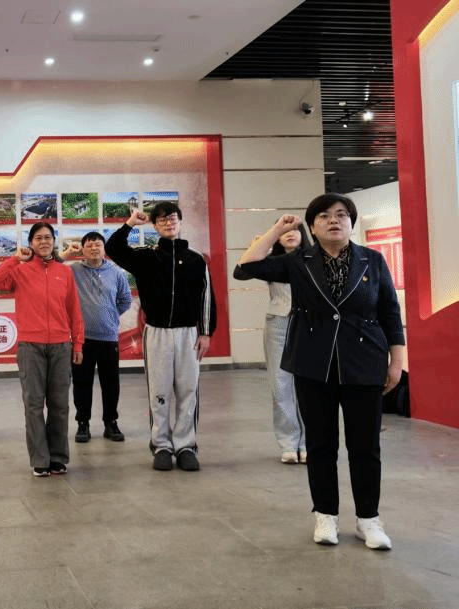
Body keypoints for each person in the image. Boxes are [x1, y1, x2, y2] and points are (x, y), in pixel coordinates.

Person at [236, 194, 404, 550]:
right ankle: (325, 515)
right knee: (320, 444)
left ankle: (369, 520)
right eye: (324, 216)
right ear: (312, 226)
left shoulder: (372, 260)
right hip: (313, 364)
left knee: (365, 446)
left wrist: (397, 361)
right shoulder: (298, 261)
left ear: (351, 223)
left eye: (342, 215)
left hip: (364, 362)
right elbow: (245, 267)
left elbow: (390, 311)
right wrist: (276, 230)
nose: (334, 221)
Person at [105, 203, 217, 472]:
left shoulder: (196, 260)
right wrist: (130, 224)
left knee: (188, 391)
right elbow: (114, 248)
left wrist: (205, 332)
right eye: (162, 220)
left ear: (180, 222)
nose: (169, 223)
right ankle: (162, 446)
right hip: (156, 333)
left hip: (188, 333)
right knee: (159, 391)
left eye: (173, 218)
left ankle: (186, 446)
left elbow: (206, 297)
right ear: (155, 226)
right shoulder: (146, 257)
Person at [0, 222, 83, 477]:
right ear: (31, 243)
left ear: (54, 241)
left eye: (48, 237)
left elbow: (74, 310)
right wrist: (14, 259)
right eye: (38, 238)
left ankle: (58, 458)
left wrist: (78, 343)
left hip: (61, 346)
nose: (44, 242)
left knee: (59, 404)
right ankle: (40, 459)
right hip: (31, 346)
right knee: (33, 404)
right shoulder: (20, 270)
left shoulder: (64, 272)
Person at [234, 228, 309, 464]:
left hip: (309, 323)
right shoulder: (272, 261)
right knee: (280, 383)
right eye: (283, 230)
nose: (290, 234)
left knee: (308, 383)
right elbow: (240, 272)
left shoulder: (314, 258)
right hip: (278, 322)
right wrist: (259, 245)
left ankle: (308, 442)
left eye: (294, 229)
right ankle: (289, 443)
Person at [60, 232, 133, 443]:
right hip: (81, 339)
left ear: (104, 248)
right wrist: (67, 253)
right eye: (89, 245)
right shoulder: (73, 270)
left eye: (98, 244)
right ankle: (83, 424)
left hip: (109, 338)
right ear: (82, 249)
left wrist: (110, 316)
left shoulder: (116, 272)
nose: (94, 248)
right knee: (81, 383)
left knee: (111, 383)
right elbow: (53, 265)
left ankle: (111, 422)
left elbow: (125, 300)